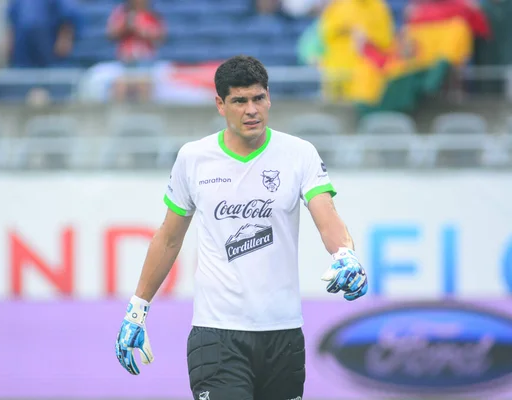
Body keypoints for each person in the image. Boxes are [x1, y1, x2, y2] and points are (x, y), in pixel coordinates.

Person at [114, 55, 368, 399]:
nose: (251, 110)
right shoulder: (193, 158)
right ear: (220, 104)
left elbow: (327, 214)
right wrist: (137, 309)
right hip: (216, 335)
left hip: (284, 334)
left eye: (258, 98)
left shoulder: (300, 154)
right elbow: (169, 239)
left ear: (268, 98)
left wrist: (344, 253)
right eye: (239, 101)